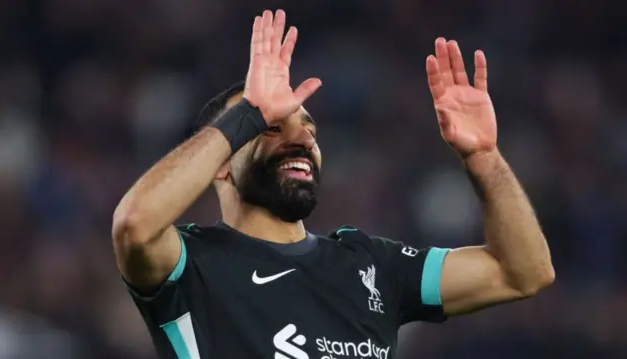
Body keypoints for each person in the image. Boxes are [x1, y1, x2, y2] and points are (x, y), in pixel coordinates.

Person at [112, 9, 555, 359]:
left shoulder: (372, 266)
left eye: (309, 128)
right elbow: (134, 224)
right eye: (269, 127)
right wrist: (248, 112)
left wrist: (483, 158)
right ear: (221, 165)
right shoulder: (189, 267)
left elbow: (523, 273)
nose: (302, 137)